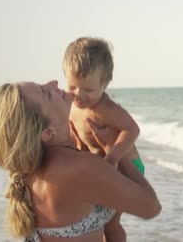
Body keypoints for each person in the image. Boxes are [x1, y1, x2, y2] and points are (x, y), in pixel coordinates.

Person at [0, 80, 161, 242]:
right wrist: (114, 149)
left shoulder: (32, 171)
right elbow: (150, 207)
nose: (54, 83)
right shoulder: (79, 167)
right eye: (46, 93)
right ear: (47, 132)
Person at [62, 37, 144, 241]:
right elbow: (76, 135)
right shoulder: (73, 105)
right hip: (103, 169)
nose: (79, 94)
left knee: (111, 222)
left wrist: (113, 157)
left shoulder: (105, 109)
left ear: (105, 84)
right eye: (72, 86)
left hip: (125, 167)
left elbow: (132, 129)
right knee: (93, 218)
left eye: (88, 90)